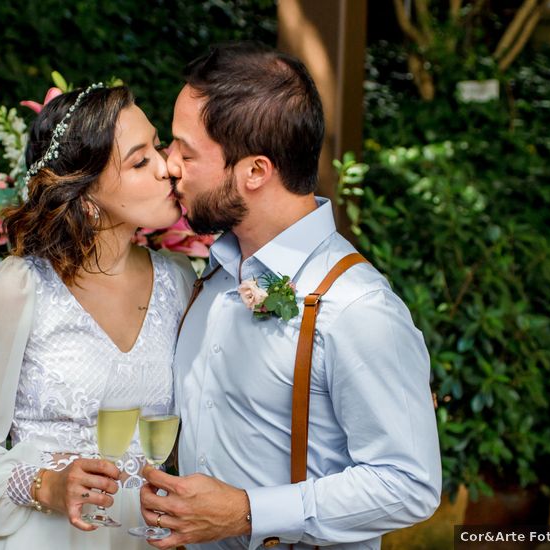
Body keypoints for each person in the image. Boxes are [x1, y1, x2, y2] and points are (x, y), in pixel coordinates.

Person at [139, 43, 442, 550]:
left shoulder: (357, 308)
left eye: (186, 152)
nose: (169, 166)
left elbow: (409, 484)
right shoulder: (208, 279)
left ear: (255, 172)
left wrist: (248, 513)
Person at [0, 83, 197, 550]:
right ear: (86, 190)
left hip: (150, 538)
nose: (167, 168)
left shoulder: (180, 279)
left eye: (158, 147)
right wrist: (48, 487)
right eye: (139, 161)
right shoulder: (19, 287)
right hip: (47, 536)